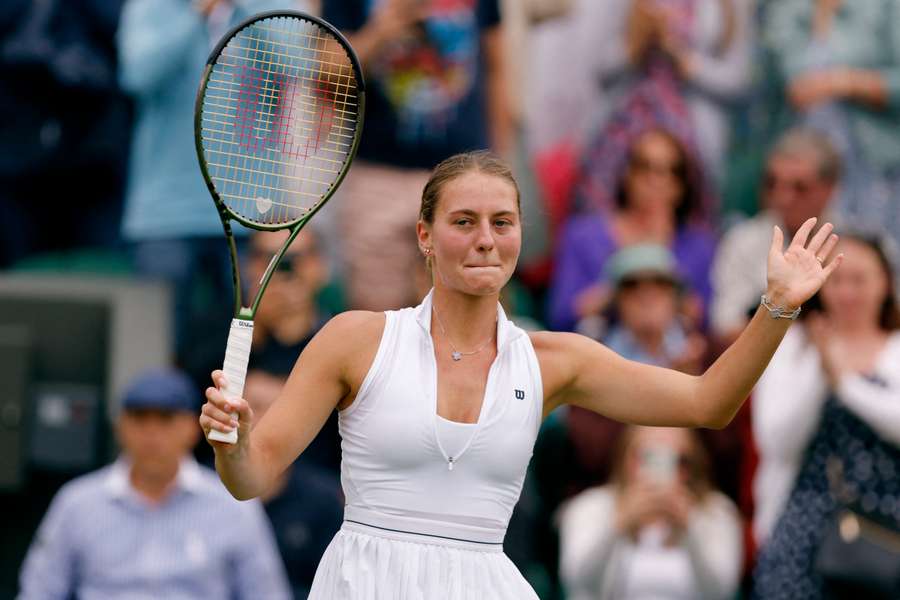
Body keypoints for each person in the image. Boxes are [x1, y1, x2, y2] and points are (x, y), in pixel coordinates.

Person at [200, 150, 841, 599]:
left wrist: (778, 305)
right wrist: (233, 444)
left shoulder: (555, 360)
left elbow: (709, 402)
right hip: (363, 583)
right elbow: (251, 477)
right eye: (463, 221)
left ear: (519, 234)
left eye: (501, 222)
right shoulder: (355, 339)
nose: (485, 239)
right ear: (425, 235)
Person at [19, 367, 290, 600]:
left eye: (165, 419)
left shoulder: (232, 503)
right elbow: (38, 592)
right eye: (139, 418)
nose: (152, 433)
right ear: (120, 426)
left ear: (192, 427)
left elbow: (266, 593)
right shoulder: (77, 503)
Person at [320, 0, 511, 311]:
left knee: (469, 308)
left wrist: (498, 165)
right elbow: (328, 74)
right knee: (377, 318)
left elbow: (497, 67)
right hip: (379, 174)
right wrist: (382, 30)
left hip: (465, 174)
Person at [750, 232, 900, 599]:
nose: (848, 292)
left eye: (860, 279)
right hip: (804, 531)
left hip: (890, 533)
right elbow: (775, 440)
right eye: (838, 280)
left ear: (885, 282)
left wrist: (845, 385)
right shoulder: (791, 346)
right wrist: (821, 369)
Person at [549, 127, 716, 332]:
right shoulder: (582, 235)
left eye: (671, 171)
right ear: (627, 174)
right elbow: (561, 316)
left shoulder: (698, 245)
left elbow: (703, 321)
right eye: (644, 167)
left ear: (681, 186)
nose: (656, 181)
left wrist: (659, 250)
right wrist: (627, 273)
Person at [762, 0, 900, 249]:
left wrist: (845, 82)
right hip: (803, 165)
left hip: (873, 166)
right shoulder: (784, 8)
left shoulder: (887, 6)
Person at [558, 426, 743, 600]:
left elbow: (722, 591)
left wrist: (690, 529)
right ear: (626, 459)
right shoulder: (593, 506)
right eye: (648, 457)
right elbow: (577, 581)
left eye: (678, 460)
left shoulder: (716, 512)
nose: (662, 470)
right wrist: (618, 525)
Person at [711, 128, 842, 344]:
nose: (782, 197)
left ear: (829, 189)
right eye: (772, 183)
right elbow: (726, 330)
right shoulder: (741, 241)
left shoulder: (862, 244)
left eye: (799, 187)